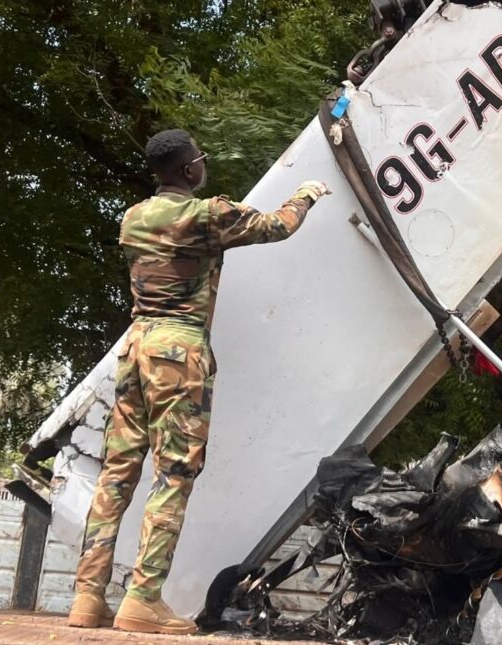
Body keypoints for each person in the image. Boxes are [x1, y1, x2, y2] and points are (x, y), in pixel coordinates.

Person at [67, 129, 329, 634]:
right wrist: (308, 193)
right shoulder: (205, 216)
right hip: (177, 351)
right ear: (190, 170)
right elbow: (278, 226)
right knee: (173, 474)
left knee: (116, 473)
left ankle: (87, 596)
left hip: (135, 345)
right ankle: (142, 598)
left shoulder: (133, 219)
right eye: (200, 161)